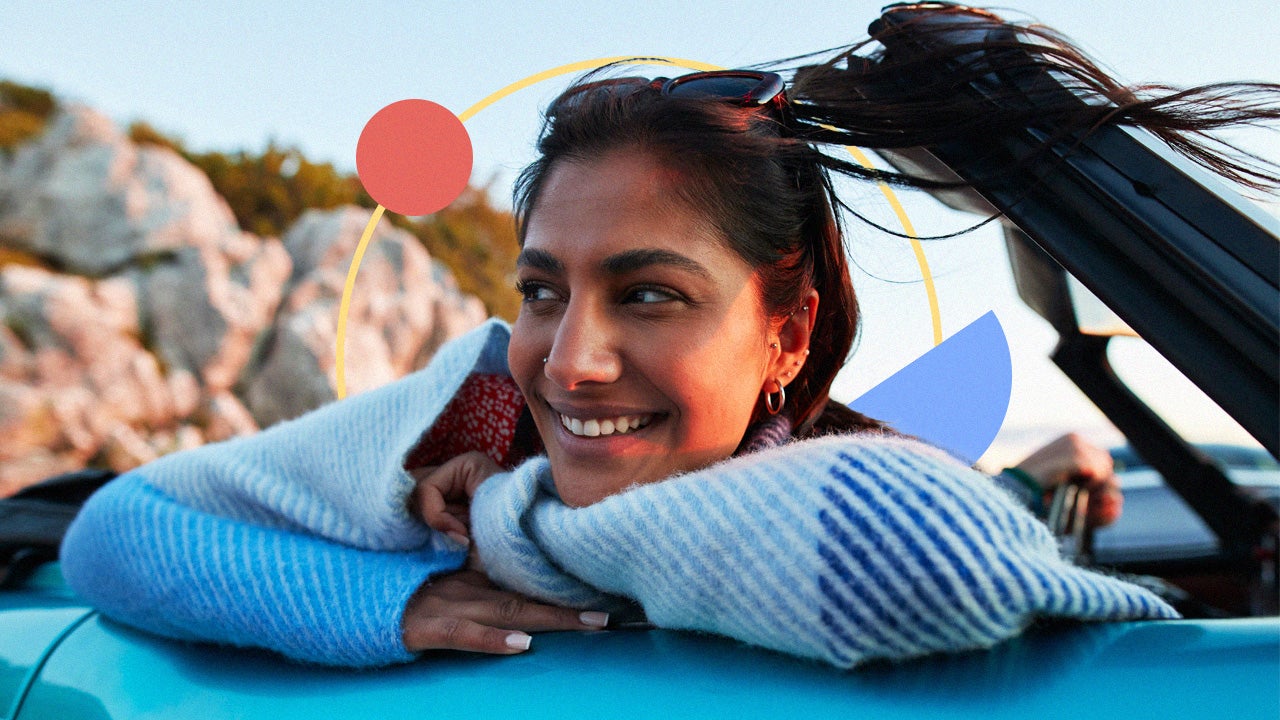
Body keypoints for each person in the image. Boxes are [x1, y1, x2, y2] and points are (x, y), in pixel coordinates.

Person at [60, 4, 1276, 668]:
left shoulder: (805, 460)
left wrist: (1036, 478)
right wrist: (391, 603)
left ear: (786, 336)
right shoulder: (464, 419)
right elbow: (116, 533)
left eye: (647, 294)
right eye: (544, 290)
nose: (569, 358)